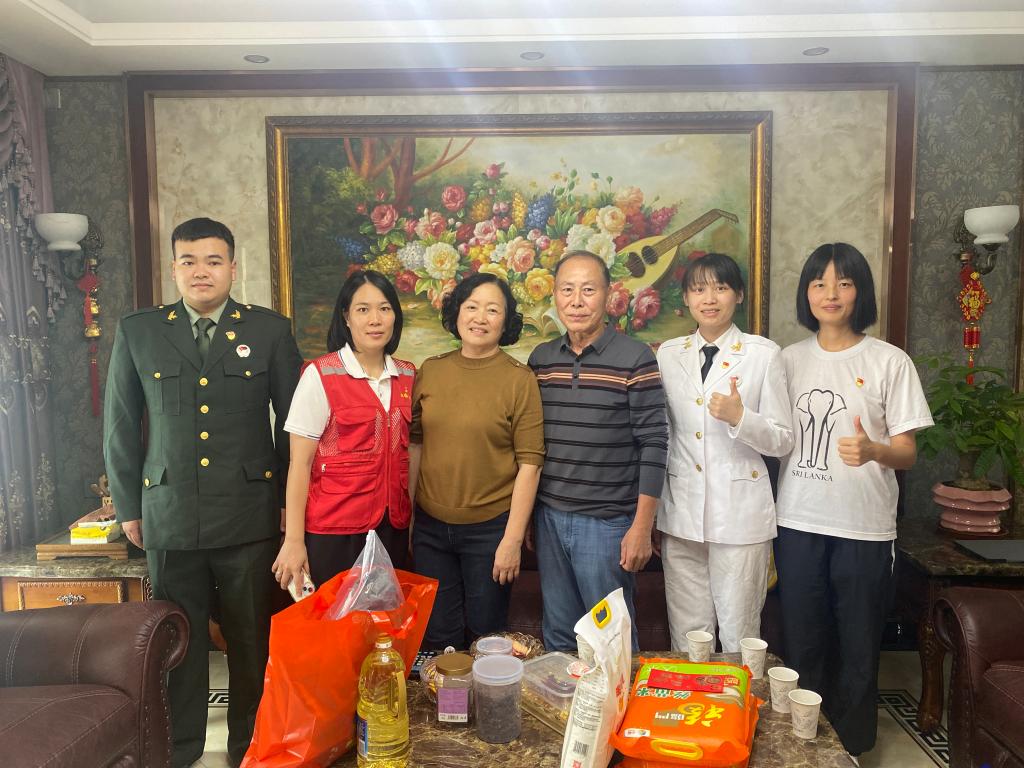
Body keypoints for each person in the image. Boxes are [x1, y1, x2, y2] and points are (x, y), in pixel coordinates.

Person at [104, 217, 302, 768]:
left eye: (213, 261)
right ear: (174, 268)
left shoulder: (269, 331)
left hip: (249, 514)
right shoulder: (140, 331)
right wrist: (128, 506)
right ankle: (183, 748)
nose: (201, 271)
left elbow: (295, 427)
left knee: (249, 640)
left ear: (233, 268)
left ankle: (249, 748)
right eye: (189, 261)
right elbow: (120, 425)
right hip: (169, 512)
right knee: (179, 641)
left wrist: (289, 505)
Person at [774, 242, 932, 760]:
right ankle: (803, 745)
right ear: (806, 294)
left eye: (843, 282)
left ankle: (853, 748)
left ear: (860, 291)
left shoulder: (889, 361)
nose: (830, 293)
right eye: (818, 283)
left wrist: (873, 450)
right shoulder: (787, 360)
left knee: (859, 644)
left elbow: (908, 452)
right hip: (797, 521)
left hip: (863, 528)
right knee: (803, 641)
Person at [528, 250, 668, 652]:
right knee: (559, 637)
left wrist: (641, 527)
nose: (576, 301)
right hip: (550, 519)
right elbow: (532, 444)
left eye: (588, 290)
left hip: (607, 525)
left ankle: (620, 700)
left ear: (608, 295)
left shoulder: (635, 357)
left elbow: (654, 443)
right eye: (567, 290)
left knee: (611, 643)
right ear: (554, 296)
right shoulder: (542, 360)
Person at [656, 252, 793, 653]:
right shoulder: (668, 354)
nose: (709, 298)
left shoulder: (763, 354)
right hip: (681, 513)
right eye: (699, 289)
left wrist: (740, 418)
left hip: (739, 517)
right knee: (687, 636)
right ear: (686, 298)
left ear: (739, 295)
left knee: (739, 634)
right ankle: (692, 696)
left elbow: (783, 440)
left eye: (720, 287)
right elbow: (663, 434)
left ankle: (743, 696)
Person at [410, 271, 544, 650]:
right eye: (471, 307)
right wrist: (410, 516)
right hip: (431, 530)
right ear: (456, 312)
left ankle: (486, 695)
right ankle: (446, 693)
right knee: (438, 640)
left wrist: (511, 540)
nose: (480, 318)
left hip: (491, 531)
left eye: (492, 310)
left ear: (506, 320)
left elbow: (530, 464)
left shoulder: (519, 380)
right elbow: (415, 445)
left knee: (486, 638)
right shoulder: (431, 370)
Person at [272, 270, 415, 593]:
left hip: (391, 528)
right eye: (363, 309)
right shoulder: (320, 375)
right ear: (346, 318)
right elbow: (299, 465)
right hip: (334, 532)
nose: (375, 319)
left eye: (384, 308)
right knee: (335, 620)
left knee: (384, 621)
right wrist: (293, 540)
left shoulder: (407, 375)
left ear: (395, 316)